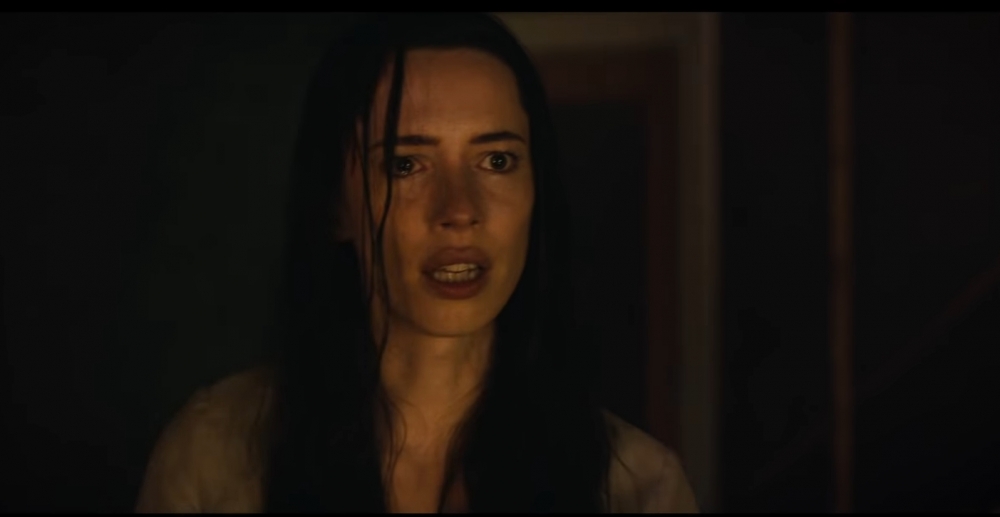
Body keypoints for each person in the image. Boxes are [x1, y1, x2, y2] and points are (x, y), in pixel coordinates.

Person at [134, 13, 698, 513]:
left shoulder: (636, 488)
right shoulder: (215, 460)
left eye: (497, 161)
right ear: (335, 205)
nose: (459, 211)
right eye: (407, 165)